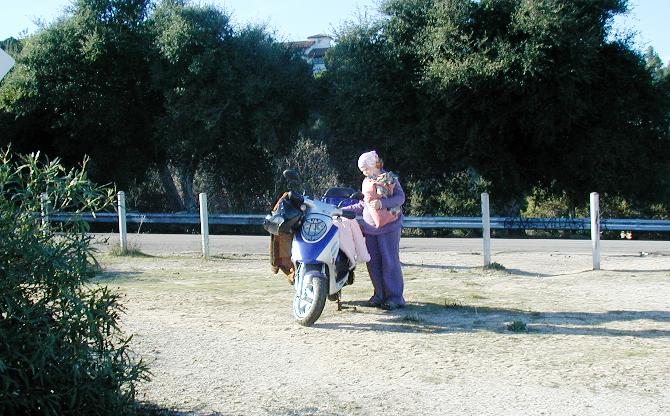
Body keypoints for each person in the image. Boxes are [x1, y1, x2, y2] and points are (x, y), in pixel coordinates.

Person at [341, 150, 406, 310]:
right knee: (373, 263)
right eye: (362, 169)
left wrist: (383, 204)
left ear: (373, 164)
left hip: (389, 227)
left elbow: (400, 198)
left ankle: (395, 298)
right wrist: (342, 209)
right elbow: (365, 203)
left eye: (365, 168)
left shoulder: (389, 178)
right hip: (370, 229)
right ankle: (379, 295)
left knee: (390, 261)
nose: (363, 171)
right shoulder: (367, 181)